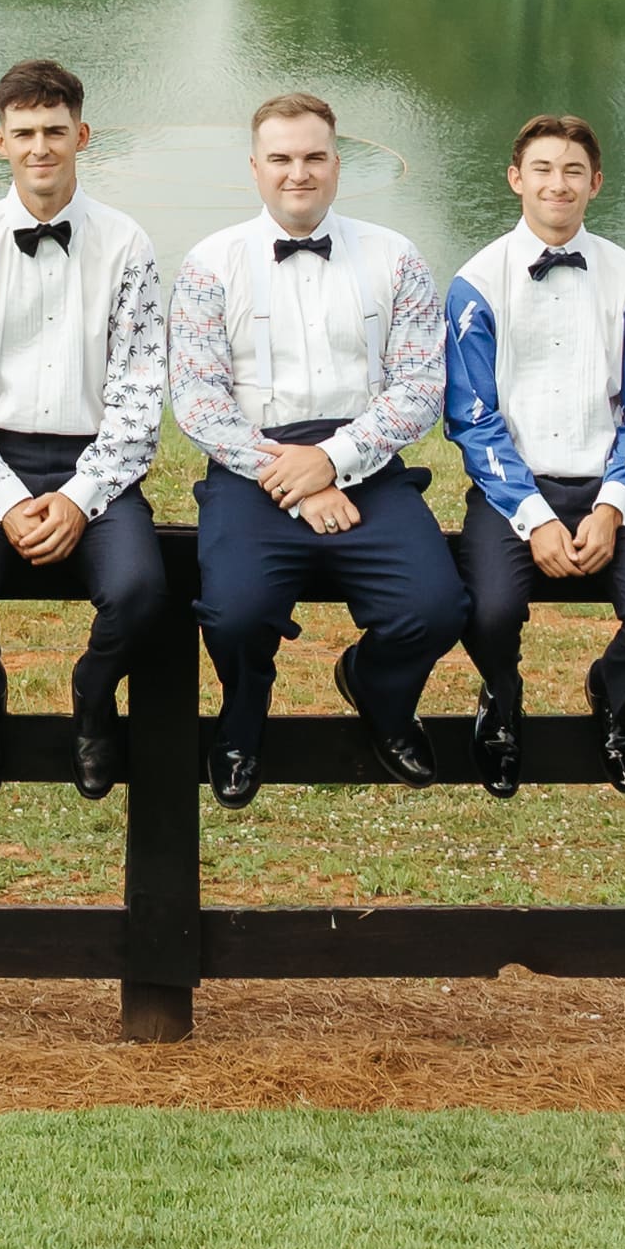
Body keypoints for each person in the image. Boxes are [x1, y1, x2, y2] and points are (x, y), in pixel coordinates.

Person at [167, 88, 458, 795]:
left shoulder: (397, 258)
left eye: (314, 157)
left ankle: (380, 694)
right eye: (281, 158)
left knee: (436, 608)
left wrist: (333, 462)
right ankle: (242, 719)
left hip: (368, 461)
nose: (298, 172)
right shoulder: (210, 263)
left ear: (338, 163)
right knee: (232, 613)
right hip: (251, 466)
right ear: (255, 167)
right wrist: (295, 479)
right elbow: (200, 404)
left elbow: (419, 388)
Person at [0, 54, 165, 803]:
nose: (40, 148)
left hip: (98, 460)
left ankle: (93, 696)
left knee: (140, 588)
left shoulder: (129, 247)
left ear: (82, 135)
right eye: (23, 133)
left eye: (55, 131)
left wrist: (80, 498)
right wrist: (6, 498)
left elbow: (140, 396)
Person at [441, 112, 625, 796]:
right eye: (542, 169)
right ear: (516, 178)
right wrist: (535, 517)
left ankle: (611, 688)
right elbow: (473, 421)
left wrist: (610, 507)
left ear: (596, 183)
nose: (558, 184)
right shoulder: (477, 283)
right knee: (484, 612)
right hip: (511, 489)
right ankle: (502, 697)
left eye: (573, 171)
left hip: (610, 486)